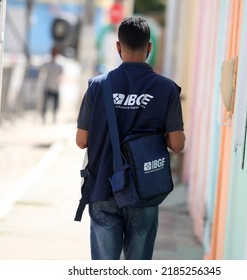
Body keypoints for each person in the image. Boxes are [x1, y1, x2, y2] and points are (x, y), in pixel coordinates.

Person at [75, 16, 185, 260]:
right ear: (149, 47)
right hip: (144, 192)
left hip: (103, 187)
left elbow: (81, 140)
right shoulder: (166, 89)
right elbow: (177, 144)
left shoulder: (97, 86)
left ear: (117, 47)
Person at [41, 46, 63, 124]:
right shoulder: (47, 61)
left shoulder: (60, 63)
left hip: (55, 87)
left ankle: (54, 119)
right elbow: (42, 70)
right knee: (45, 104)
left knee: (55, 105)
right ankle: (43, 119)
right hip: (48, 85)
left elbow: (62, 73)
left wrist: (60, 79)